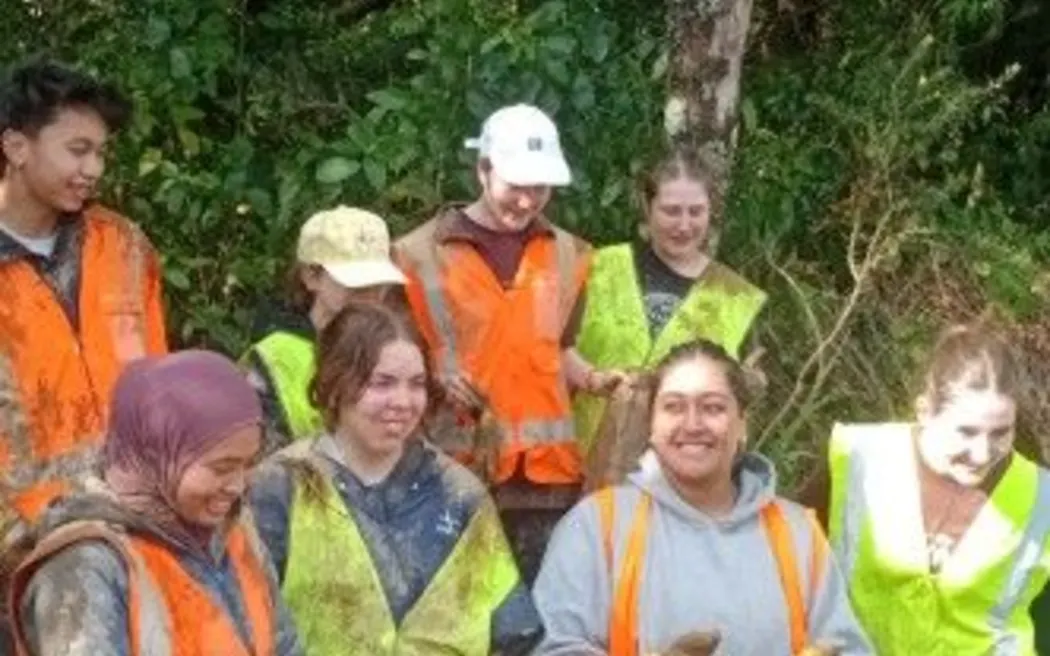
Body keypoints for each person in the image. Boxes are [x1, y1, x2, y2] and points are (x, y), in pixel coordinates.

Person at [393, 103, 618, 582]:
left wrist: (594, 379)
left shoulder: (570, 254)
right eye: (516, 186)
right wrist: (434, 377)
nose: (527, 201)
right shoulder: (417, 255)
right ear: (483, 169)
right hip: (454, 468)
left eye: (540, 189)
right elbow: (389, 358)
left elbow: (559, 349)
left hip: (546, 482)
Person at [533, 339, 872, 655]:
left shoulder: (797, 533)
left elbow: (846, 647)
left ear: (742, 424)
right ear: (651, 425)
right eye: (673, 407)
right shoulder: (598, 526)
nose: (692, 424)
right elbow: (554, 646)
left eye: (712, 408)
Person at [249, 302, 543, 655]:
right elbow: (246, 621)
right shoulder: (283, 487)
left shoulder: (459, 495)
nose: (402, 402)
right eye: (382, 383)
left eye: (416, 384)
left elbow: (512, 631)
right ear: (334, 384)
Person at [6, 351, 302, 655]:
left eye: (248, 464)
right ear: (153, 457)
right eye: (221, 468)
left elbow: (285, 645)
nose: (238, 486)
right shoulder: (85, 567)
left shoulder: (233, 531)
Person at [0, 60, 167, 527]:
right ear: (16, 147)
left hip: (138, 515)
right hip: (22, 536)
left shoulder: (123, 247)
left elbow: (158, 380)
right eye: (78, 150)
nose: (93, 169)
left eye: (100, 153)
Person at [824, 325, 1050, 654]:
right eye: (966, 432)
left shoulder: (1041, 495)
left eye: (1001, 433)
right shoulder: (858, 457)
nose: (982, 454)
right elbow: (782, 559)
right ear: (924, 412)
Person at [570, 149, 766, 483]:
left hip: (684, 477)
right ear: (648, 208)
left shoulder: (736, 297)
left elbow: (741, 396)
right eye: (671, 211)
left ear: (711, 212)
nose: (684, 225)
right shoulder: (597, 267)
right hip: (581, 466)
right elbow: (554, 350)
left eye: (696, 211)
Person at [243, 205, 406, 451]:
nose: (368, 295)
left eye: (377, 283)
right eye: (356, 283)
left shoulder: (397, 350)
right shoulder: (273, 357)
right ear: (311, 276)